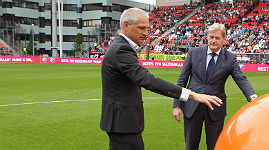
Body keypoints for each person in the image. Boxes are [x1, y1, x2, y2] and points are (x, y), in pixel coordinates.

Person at [100, 8, 223, 150]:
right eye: (141, 28)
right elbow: (148, 80)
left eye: (147, 28)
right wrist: (193, 95)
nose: (146, 33)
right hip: (122, 123)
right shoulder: (121, 49)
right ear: (126, 26)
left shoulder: (121, 47)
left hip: (121, 122)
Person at [172, 23, 258, 150]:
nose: (213, 40)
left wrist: (252, 96)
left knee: (215, 146)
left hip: (215, 108)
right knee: (190, 146)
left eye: (217, 38)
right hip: (192, 106)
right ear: (206, 37)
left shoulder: (230, 57)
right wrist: (177, 105)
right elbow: (182, 80)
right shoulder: (193, 53)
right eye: (211, 37)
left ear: (224, 39)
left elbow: (240, 78)